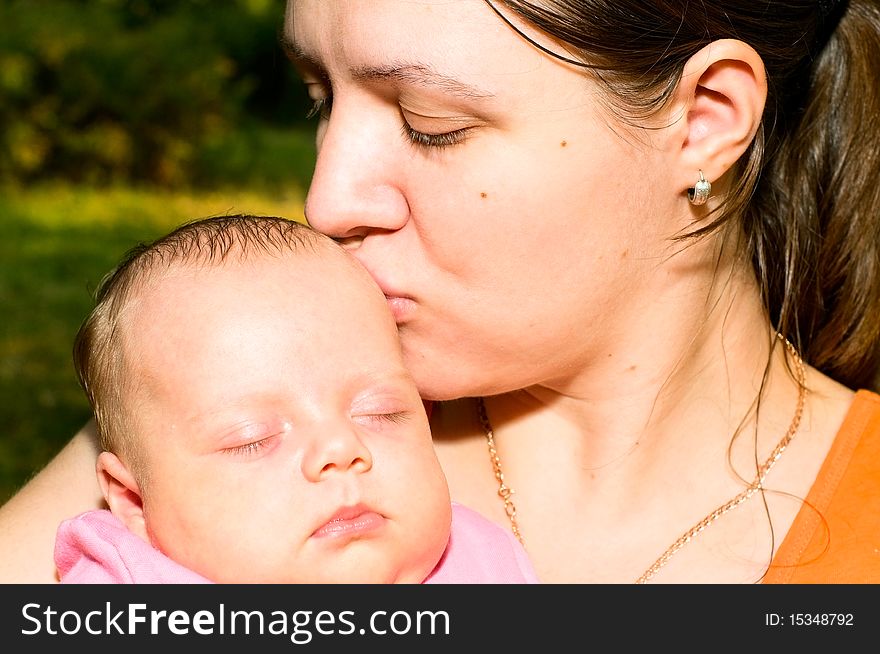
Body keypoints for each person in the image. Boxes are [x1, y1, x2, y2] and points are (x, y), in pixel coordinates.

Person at [2, 0, 880, 584]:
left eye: (433, 127)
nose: (326, 200)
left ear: (703, 120)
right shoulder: (235, 396)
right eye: (318, 99)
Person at [53, 214, 538, 584]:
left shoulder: (481, 566)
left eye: (380, 412)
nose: (340, 450)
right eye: (253, 438)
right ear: (134, 501)